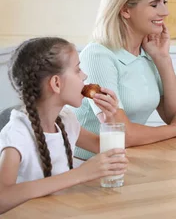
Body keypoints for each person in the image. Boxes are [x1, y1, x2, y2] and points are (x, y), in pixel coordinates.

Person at [73, 0, 176, 160]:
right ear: (125, 10)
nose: (165, 12)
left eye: (163, 2)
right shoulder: (98, 56)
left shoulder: (146, 52)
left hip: (128, 159)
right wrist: (175, 129)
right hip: (88, 166)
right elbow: (121, 133)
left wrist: (163, 59)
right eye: (154, 4)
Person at [0, 37, 128, 214]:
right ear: (56, 83)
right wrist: (80, 174)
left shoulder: (66, 120)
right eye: (77, 70)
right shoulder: (17, 135)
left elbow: (102, 147)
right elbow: (2, 198)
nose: (84, 76)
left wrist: (111, 117)